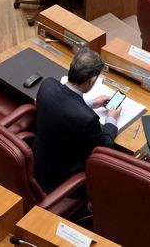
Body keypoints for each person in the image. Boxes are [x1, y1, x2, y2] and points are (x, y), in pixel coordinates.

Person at [32, 48, 121, 191]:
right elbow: (103, 146)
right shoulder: (87, 119)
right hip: (62, 180)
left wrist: (91, 103)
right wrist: (112, 118)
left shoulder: (47, 85)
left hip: (36, 162)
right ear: (92, 80)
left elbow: (61, 105)